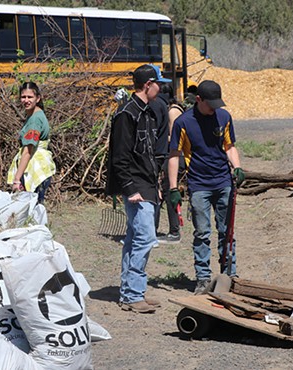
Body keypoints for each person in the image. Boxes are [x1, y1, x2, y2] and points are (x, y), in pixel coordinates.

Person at [167, 80, 245, 295]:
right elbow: (174, 155)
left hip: (223, 182)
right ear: (198, 100)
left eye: (217, 104)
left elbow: (229, 147)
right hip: (199, 184)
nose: (214, 108)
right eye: (210, 104)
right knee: (202, 232)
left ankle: (229, 274)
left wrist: (237, 167)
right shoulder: (184, 122)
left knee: (226, 231)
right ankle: (202, 277)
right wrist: (173, 188)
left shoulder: (224, 117)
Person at [106, 64, 170, 314]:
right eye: (158, 83)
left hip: (147, 184)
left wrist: (157, 186)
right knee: (145, 238)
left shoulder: (148, 111)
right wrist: (131, 189)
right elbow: (119, 157)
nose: (161, 87)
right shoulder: (127, 114)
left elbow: (151, 154)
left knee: (135, 238)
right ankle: (133, 294)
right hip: (136, 185)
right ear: (147, 85)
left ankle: (132, 292)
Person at [7, 81, 56, 203]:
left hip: (34, 167)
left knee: (30, 211)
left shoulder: (34, 120)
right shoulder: (36, 114)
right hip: (39, 165)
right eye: (23, 97)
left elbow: (28, 152)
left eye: (30, 97)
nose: (26, 100)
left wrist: (17, 179)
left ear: (37, 98)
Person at [155, 83, 185, 244]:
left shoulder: (173, 111)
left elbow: (176, 139)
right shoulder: (168, 109)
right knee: (163, 191)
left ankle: (174, 231)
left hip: (174, 157)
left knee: (169, 192)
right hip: (168, 155)